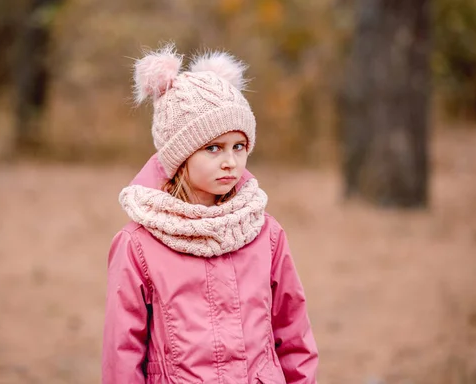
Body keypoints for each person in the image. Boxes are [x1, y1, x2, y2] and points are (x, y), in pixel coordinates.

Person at [102, 44, 318, 384]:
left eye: (239, 146)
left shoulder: (265, 234)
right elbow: (122, 352)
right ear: (180, 155)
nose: (230, 161)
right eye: (213, 148)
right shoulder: (138, 245)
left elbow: (293, 335)